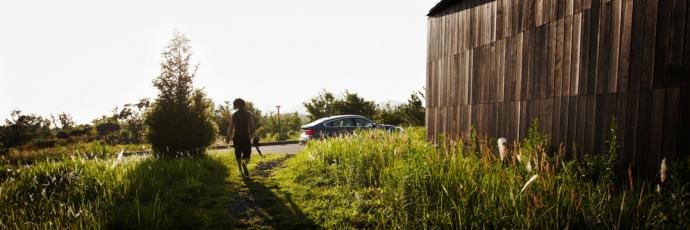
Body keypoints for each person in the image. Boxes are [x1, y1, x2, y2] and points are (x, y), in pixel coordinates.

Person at [227, 98, 256, 177]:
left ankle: (240, 170)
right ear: (244, 104)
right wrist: (254, 135)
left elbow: (230, 127)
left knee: (238, 152)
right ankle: (244, 163)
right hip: (246, 136)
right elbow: (252, 125)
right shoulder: (248, 113)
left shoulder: (234, 115)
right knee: (247, 154)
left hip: (236, 137)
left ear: (235, 105)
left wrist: (228, 136)